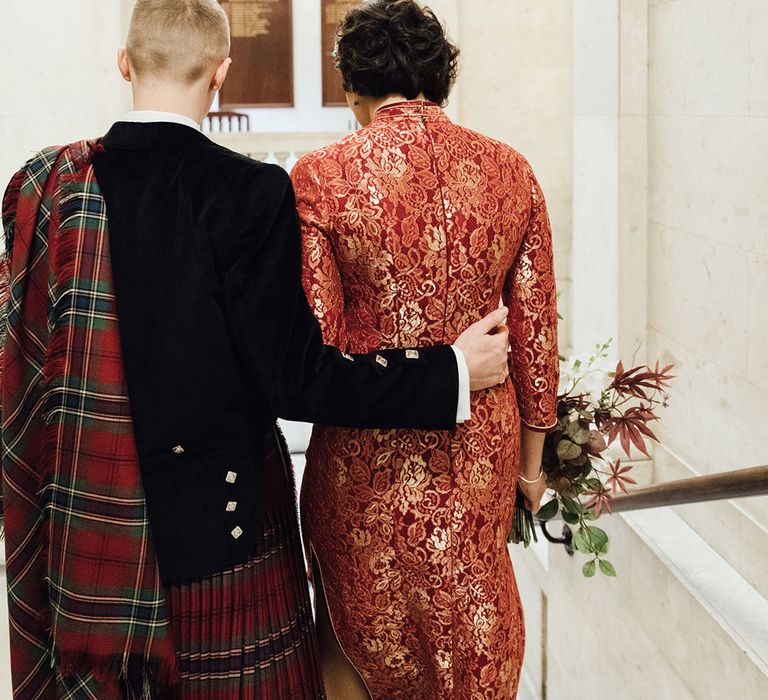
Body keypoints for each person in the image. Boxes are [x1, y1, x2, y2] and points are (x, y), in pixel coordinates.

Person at [0, 1, 511, 698]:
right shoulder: (249, 191)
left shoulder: (44, 188)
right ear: (223, 75)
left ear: (125, 64)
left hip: (88, 542)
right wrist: (449, 370)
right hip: (223, 544)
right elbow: (297, 380)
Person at [291, 1, 560, 698]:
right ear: (441, 78)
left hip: (359, 470)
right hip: (475, 469)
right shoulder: (512, 173)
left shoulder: (320, 177)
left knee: (347, 649)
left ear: (353, 88)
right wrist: (531, 472)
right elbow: (536, 339)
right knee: (473, 646)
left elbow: (314, 341)